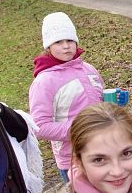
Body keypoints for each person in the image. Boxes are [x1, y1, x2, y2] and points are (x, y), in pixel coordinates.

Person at [29, 12, 105, 182]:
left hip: (106, 148)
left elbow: (102, 104)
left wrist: (114, 104)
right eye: (58, 42)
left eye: (70, 40)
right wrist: (80, 129)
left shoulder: (88, 69)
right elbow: (39, 127)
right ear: (48, 47)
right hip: (74, 160)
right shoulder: (44, 82)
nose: (66, 46)